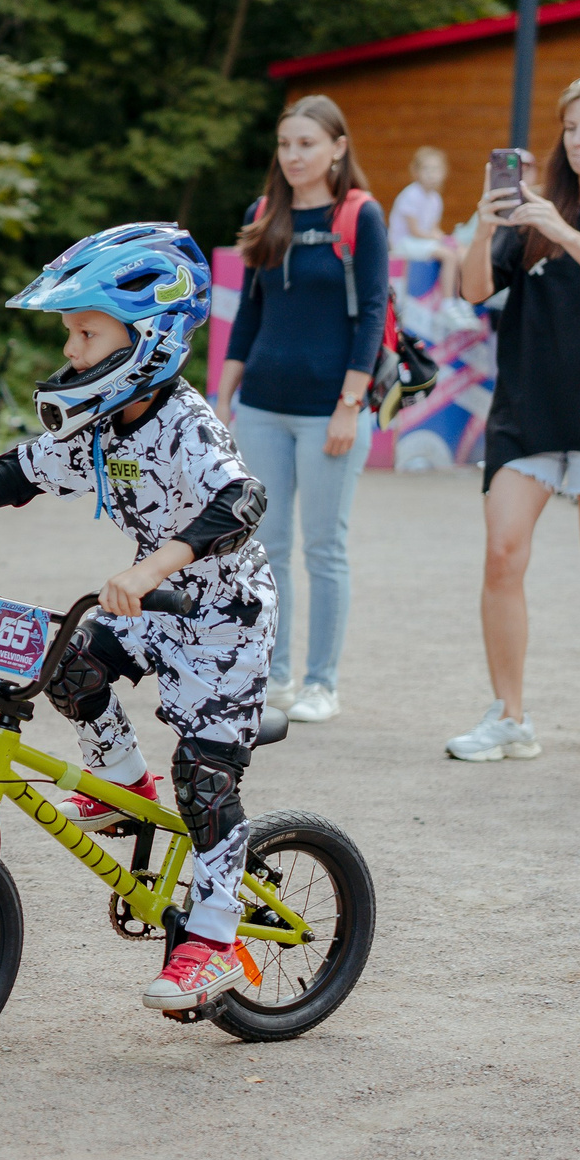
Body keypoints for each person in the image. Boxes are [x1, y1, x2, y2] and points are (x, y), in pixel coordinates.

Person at [0, 224, 276, 1016]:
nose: (70, 349)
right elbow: (22, 470)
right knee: (63, 667)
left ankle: (211, 939)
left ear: (151, 338)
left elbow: (241, 502)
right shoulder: (103, 425)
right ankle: (121, 781)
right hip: (152, 609)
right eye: (69, 332)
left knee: (206, 784)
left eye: (85, 331)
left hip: (223, 623)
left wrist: (151, 565)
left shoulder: (188, 424)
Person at [447, 71, 580, 762]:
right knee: (501, 554)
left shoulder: (563, 220)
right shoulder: (535, 212)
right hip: (527, 410)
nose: (577, 140)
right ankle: (509, 716)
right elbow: (473, 289)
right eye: (571, 127)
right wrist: (488, 223)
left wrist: (562, 230)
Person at [216, 95, 385, 726]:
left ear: (338, 147)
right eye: (285, 145)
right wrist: (224, 394)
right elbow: (250, 313)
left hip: (329, 412)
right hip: (262, 406)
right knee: (266, 545)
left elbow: (372, 312)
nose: (294, 156)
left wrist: (350, 404)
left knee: (324, 547)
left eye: (307, 144)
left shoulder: (360, 215)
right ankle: (277, 674)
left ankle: (321, 683)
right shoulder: (264, 213)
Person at [392, 146, 453, 298]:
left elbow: (434, 229)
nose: (431, 174)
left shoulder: (435, 199)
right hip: (404, 242)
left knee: (456, 251)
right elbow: (415, 231)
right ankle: (447, 302)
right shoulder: (411, 195)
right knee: (448, 256)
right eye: (427, 169)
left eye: (436, 169)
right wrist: (437, 238)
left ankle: (456, 300)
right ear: (416, 172)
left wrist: (445, 239)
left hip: (420, 241)